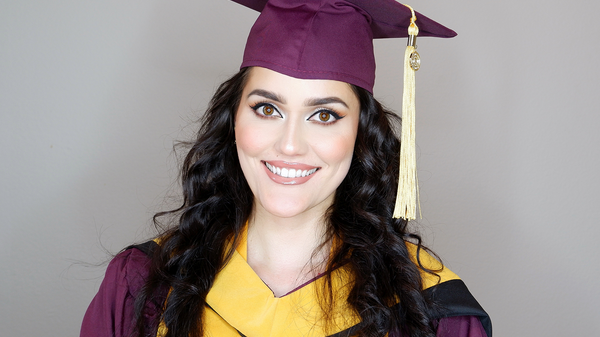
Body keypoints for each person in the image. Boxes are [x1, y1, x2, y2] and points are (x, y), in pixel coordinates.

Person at [81, 1, 491, 336]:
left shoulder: (433, 313)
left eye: (325, 115)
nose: (290, 145)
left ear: (361, 135)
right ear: (234, 121)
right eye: (267, 108)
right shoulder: (143, 286)